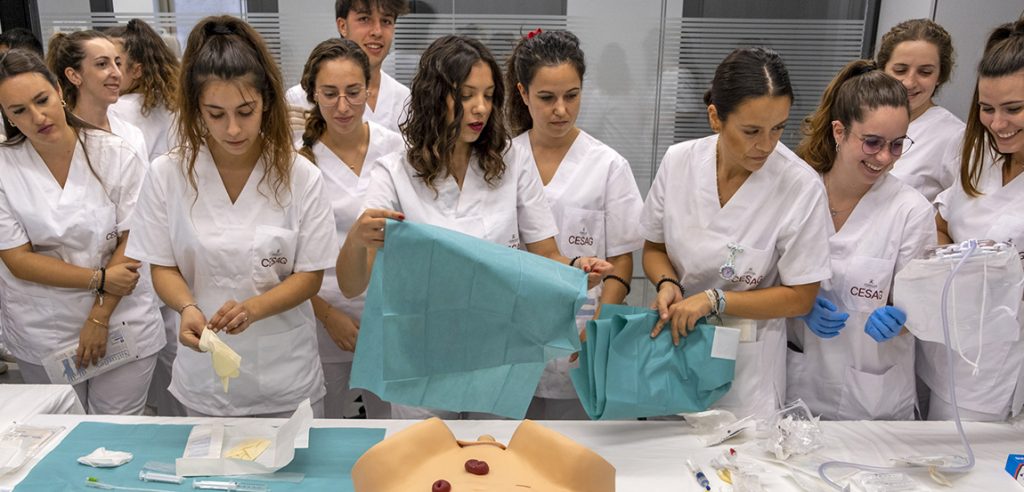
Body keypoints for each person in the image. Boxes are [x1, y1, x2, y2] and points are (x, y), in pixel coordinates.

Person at [337, 35, 612, 419]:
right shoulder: (395, 172)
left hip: (497, 354)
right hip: (421, 359)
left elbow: (547, 255)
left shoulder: (511, 163)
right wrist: (357, 238)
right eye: (466, 95)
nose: (480, 108)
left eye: (487, 95)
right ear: (435, 97)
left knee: (492, 467)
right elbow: (351, 284)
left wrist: (577, 269)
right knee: (424, 469)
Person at [125, 16, 338, 418]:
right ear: (196, 109)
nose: (233, 128)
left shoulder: (300, 175)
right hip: (204, 375)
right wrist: (187, 306)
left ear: (267, 102)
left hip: (285, 376)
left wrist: (254, 308)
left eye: (246, 110)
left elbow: (309, 276)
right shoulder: (167, 174)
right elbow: (163, 266)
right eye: (216, 114)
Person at [639, 47, 831, 420]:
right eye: (751, 131)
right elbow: (654, 247)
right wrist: (666, 282)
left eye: (778, 128)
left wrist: (715, 300)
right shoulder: (680, 161)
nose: (767, 144)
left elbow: (801, 296)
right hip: (676, 344)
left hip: (748, 369)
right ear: (715, 118)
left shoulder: (799, 186)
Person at [0, 48, 164, 414]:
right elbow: (18, 259)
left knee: (116, 434)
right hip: (46, 327)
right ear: (7, 116)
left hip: (122, 316)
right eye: (18, 111)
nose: (37, 117)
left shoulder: (116, 153)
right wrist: (101, 278)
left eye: (42, 100)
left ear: (59, 89)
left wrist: (98, 317)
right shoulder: (4, 166)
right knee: (59, 437)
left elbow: (134, 237)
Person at [505, 29, 643, 420]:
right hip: (513, 337)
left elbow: (621, 261)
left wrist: (598, 330)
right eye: (547, 98)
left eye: (572, 95)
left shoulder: (608, 166)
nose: (561, 110)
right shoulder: (503, 161)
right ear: (522, 92)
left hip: (583, 334)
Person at [788, 60, 935, 420]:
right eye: (872, 142)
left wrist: (901, 318)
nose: (884, 158)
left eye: (897, 145)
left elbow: (924, 307)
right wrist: (800, 305)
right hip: (797, 383)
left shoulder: (910, 211)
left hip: (872, 396)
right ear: (839, 131)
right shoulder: (797, 191)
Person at [297, 37, 404, 418]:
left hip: (388, 316)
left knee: (391, 432)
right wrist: (328, 316)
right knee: (322, 431)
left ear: (368, 89)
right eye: (329, 93)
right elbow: (286, 261)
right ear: (311, 93)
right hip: (321, 317)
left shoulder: (397, 150)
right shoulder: (298, 161)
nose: (343, 106)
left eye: (353, 92)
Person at [925, 18, 1024, 421]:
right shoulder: (981, 159)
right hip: (949, 353)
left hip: (1001, 364)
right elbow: (941, 219)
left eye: (1014, 109)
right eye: (987, 109)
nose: (998, 124)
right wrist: (957, 261)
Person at [286, 0, 411, 135]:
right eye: (364, 19)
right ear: (342, 26)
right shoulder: (301, 99)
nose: (377, 32)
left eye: (386, 21)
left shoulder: (404, 98)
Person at [877, 19, 965, 202]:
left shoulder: (955, 137)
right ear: (882, 69)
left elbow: (964, 213)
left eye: (925, 72)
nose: (909, 82)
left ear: (940, 76)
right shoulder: (861, 118)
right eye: (900, 70)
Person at [46, 30, 148, 160]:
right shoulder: (60, 139)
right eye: (102, 64)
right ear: (74, 76)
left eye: (117, 63)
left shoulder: (132, 135)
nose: (117, 74)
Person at [106, 19, 180, 161]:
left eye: (116, 63)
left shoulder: (115, 110)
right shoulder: (173, 102)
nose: (108, 72)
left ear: (137, 70)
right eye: (102, 63)